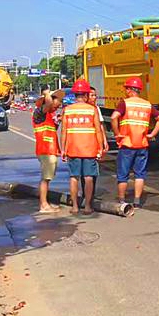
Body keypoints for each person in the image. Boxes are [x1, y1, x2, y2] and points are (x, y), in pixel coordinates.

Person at [111, 76, 159, 209]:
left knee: (123, 175)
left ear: (130, 90)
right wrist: (152, 134)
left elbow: (113, 117)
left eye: (126, 89)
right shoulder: (147, 104)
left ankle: (122, 201)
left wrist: (117, 133)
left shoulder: (125, 103)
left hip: (127, 144)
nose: (125, 91)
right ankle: (137, 201)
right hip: (142, 144)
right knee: (140, 174)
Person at [61, 79, 104, 215]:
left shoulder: (67, 110)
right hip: (90, 149)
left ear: (74, 95)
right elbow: (98, 130)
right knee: (89, 177)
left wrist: (63, 149)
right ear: (85, 95)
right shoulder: (92, 110)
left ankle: (74, 206)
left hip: (72, 149)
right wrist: (101, 147)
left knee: (74, 177)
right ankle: (87, 207)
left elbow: (64, 132)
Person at [33, 88, 65, 213]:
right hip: (45, 150)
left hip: (49, 150)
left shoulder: (48, 115)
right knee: (45, 178)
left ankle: (45, 202)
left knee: (47, 178)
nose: (59, 105)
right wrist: (47, 93)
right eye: (58, 101)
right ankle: (44, 205)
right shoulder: (39, 112)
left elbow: (51, 130)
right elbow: (49, 103)